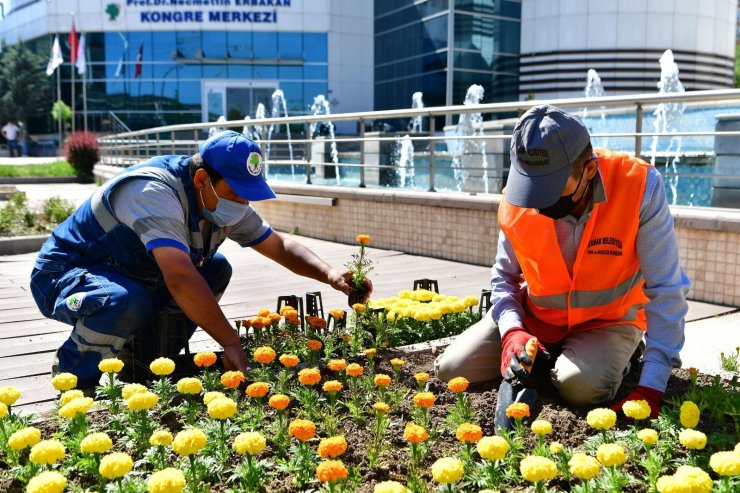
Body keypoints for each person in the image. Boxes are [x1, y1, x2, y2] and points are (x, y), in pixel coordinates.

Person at [30, 131, 370, 389]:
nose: (243, 204)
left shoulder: (220, 199)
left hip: (132, 276)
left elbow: (278, 245)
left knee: (215, 269)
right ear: (201, 178)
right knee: (124, 302)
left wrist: (330, 274)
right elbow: (179, 278)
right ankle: (74, 375)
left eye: (248, 195)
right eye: (237, 193)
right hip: (66, 274)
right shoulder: (153, 193)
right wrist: (230, 342)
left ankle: (141, 361)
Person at [435, 105, 689, 424]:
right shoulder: (518, 199)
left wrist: (652, 386)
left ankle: (626, 355)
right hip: (538, 319)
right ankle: (542, 354)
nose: (538, 202)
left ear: (589, 170)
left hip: (607, 321)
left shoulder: (639, 187)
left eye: (552, 188)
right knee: (452, 369)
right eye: (532, 188)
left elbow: (667, 290)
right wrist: (512, 330)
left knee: (580, 388)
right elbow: (504, 281)